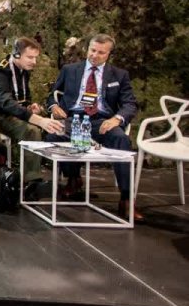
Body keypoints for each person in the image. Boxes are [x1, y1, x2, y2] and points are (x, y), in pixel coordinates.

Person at [45, 34, 140, 221]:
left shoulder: (119, 75)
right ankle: (73, 178)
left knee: (121, 139)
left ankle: (126, 198)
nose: (95, 55)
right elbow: (52, 95)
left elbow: (130, 104)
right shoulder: (70, 70)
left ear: (109, 54)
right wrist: (53, 106)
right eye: (92, 50)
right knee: (54, 134)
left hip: (102, 121)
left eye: (101, 52)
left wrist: (116, 119)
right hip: (74, 118)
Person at [0, 37, 63, 193]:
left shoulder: (23, 71)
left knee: (32, 131)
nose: (34, 62)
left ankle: (31, 180)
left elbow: (19, 99)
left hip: (6, 116)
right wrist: (39, 120)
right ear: (17, 54)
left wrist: (29, 107)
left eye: (35, 58)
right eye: (30, 57)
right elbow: (6, 102)